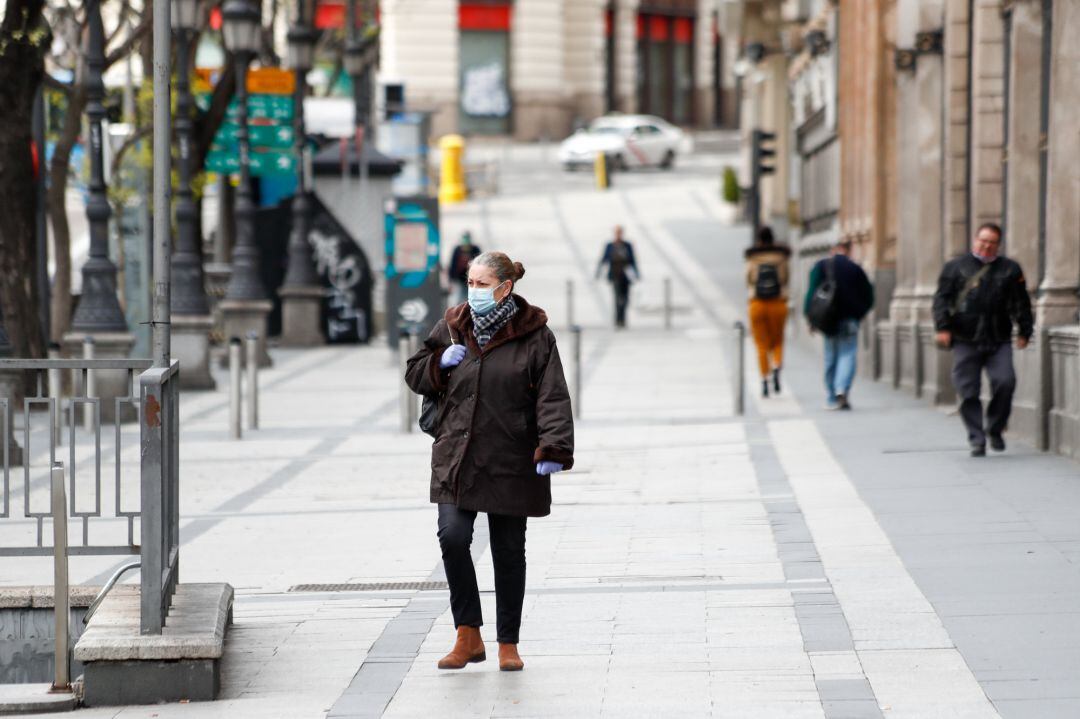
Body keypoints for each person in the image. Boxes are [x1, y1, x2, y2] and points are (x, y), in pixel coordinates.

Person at [405, 251, 574, 672]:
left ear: (505, 288)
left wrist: (552, 448)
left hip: (510, 457)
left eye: (482, 284)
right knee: (453, 537)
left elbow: (552, 396)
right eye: (471, 282)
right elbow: (415, 372)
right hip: (457, 456)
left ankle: (508, 643)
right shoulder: (452, 324)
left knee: (508, 550)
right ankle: (468, 633)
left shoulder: (535, 335)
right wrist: (437, 364)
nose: (473, 291)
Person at [932, 222, 1032, 457]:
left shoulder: (1010, 269)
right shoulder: (955, 268)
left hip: (999, 338)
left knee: (1005, 382)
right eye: (982, 240)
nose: (986, 246)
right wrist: (943, 327)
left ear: (998, 245)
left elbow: (1021, 302)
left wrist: (1025, 331)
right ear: (975, 240)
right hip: (965, 338)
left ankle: (995, 427)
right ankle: (977, 439)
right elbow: (941, 300)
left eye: (992, 242)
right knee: (967, 391)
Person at [804, 239, 874, 410]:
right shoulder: (855, 268)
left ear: (833, 249)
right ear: (848, 251)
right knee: (848, 354)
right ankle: (842, 389)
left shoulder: (820, 266)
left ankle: (831, 397)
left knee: (830, 357)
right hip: (850, 319)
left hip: (828, 320)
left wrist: (811, 319)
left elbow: (811, 294)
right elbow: (869, 296)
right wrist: (858, 314)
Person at [744, 226, 791, 397]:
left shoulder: (752, 257)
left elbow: (748, 279)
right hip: (778, 303)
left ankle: (764, 379)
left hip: (757, 304)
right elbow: (785, 278)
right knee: (778, 339)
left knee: (761, 344)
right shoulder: (781, 257)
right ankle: (777, 365)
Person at [595, 225, 640, 328]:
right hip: (615, 275)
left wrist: (636, 274)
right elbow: (604, 259)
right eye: (617, 232)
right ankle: (618, 320)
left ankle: (623, 319)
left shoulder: (627, 245)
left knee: (625, 299)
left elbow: (632, 260)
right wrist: (598, 272)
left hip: (626, 276)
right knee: (617, 298)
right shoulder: (610, 245)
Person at [447, 231, 481, 305]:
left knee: (470, 298)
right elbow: (452, 265)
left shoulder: (475, 249)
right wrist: (450, 281)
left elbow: (481, 263)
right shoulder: (457, 250)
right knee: (458, 298)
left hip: (472, 279)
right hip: (459, 279)